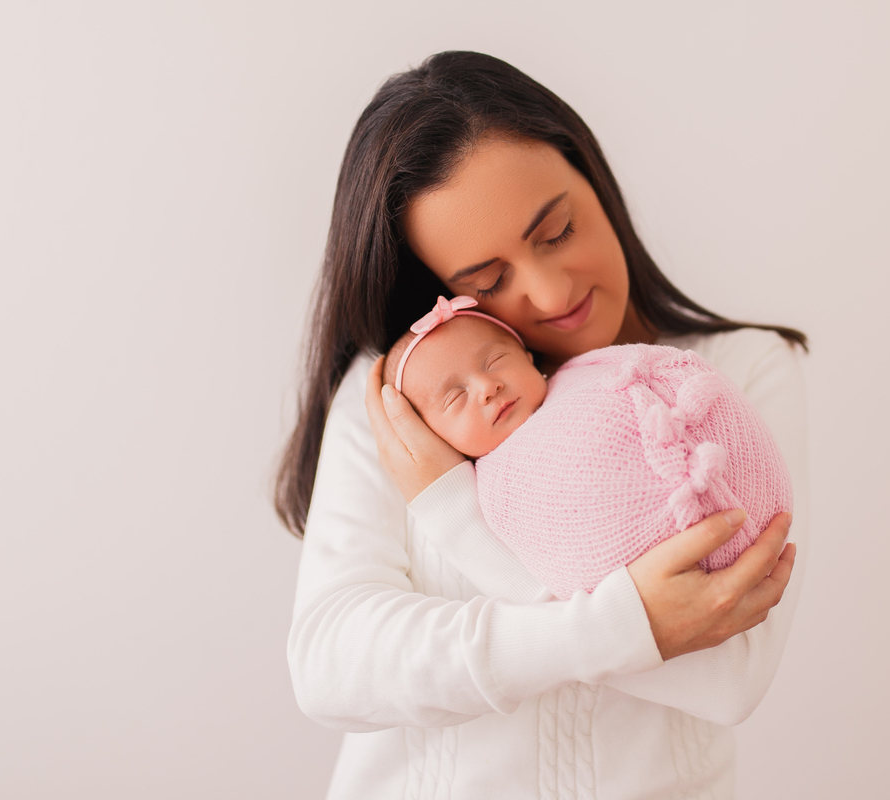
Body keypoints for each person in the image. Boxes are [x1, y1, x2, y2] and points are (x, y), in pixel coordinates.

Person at [276, 50, 809, 799]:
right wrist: (619, 628)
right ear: (441, 295)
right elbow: (332, 667)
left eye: (557, 230)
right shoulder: (406, 400)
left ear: (594, 181)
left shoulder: (730, 378)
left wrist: (452, 509)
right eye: (487, 282)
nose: (552, 290)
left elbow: (731, 679)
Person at [381, 296, 793, 601]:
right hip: (667, 574)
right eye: (456, 398)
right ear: (430, 437)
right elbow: (555, 569)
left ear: (529, 358)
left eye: (496, 361)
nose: (488, 387)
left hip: (742, 493)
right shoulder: (497, 488)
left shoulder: (585, 373)